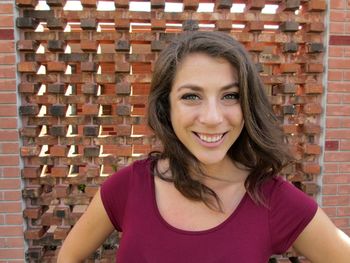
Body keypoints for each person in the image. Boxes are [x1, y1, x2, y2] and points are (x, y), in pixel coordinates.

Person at [58, 31, 350, 262]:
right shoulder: (129, 187)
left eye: (231, 96)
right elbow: (69, 255)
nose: (212, 118)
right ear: (166, 107)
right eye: (191, 97)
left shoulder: (273, 200)